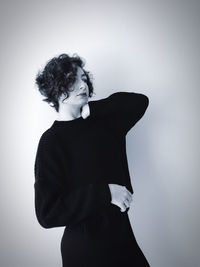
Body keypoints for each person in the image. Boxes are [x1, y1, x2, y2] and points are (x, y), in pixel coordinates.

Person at [34, 53, 150, 266]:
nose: (82, 85)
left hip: (123, 238)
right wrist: (105, 193)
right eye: (72, 79)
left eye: (83, 78)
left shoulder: (104, 124)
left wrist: (94, 108)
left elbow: (140, 102)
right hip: (85, 248)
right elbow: (47, 212)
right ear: (56, 90)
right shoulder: (51, 142)